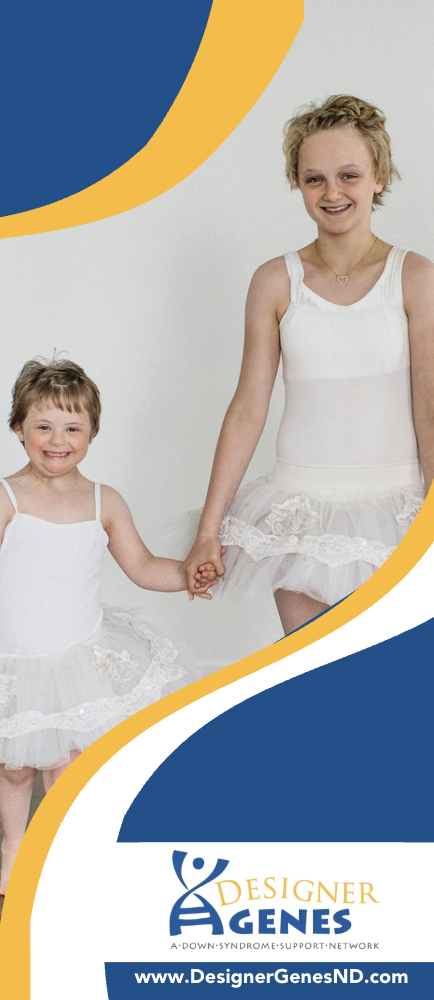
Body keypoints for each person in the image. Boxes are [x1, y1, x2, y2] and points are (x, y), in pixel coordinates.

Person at [184, 94, 434, 634]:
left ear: (379, 176)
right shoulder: (275, 282)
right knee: (313, 668)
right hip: (298, 513)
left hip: (395, 509)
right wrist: (208, 530)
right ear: (297, 183)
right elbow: (248, 407)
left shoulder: (415, 277)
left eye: (349, 175)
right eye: (314, 178)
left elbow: (429, 406)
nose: (332, 192)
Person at [0, 357, 218, 897]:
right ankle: (13, 849)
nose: (58, 440)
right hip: (15, 658)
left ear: (93, 432)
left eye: (72, 428)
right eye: (43, 426)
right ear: (19, 428)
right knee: (14, 767)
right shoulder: (7, 497)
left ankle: (58, 855)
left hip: (79, 656)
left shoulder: (104, 501)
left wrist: (188, 574)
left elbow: (142, 567)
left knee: (67, 762)